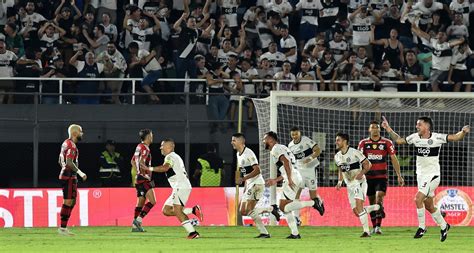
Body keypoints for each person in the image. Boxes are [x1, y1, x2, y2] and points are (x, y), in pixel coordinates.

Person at [381, 116, 470, 241]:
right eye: (417, 124)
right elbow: (399, 140)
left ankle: (422, 227)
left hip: (433, 176)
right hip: (421, 176)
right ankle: (444, 226)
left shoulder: (437, 138)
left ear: (427, 126)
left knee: (418, 199)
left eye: (419, 124)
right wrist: (388, 128)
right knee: (429, 206)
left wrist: (464, 132)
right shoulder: (415, 137)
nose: (417, 126)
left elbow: (456, 137)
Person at [263, 131, 321, 239]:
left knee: (283, 207)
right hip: (294, 175)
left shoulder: (275, 149)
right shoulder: (283, 147)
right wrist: (276, 180)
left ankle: (313, 202)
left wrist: (289, 179)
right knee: (285, 207)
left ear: (271, 140)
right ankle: (295, 233)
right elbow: (287, 166)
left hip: (292, 177)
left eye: (265, 139)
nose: (263, 141)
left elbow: (285, 162)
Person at [146, 138, 203, 239]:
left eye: (162, 146)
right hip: (179, 187)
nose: (160, 148)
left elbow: (165, 168)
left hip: (181, 187)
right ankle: (193, 210)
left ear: (170, 146)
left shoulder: (170, 156)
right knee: (166, 210)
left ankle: (193, 233)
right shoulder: (175, 156)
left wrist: (149, 168)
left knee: (177, 210)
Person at [358, 121, 404, 235]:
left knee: (379, 197)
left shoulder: (386, 142)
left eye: (377, 127)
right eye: (372, 127)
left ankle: (378, 226)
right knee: (372, 201)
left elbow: (394, 159)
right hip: (367, 178)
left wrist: (399, 175)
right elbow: (358, 160)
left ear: (380, 130)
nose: (375, 129)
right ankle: (375, 226)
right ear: (369, 130)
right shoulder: (363, 143)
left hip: (381, 177)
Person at [232, 133, 278, 238]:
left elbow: (257, 170)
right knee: (243, 211)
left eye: (234, 140)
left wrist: (243, 179)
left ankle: (264, 233)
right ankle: (271, 209)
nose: (232, 142)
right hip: (249, 184)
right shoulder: (238, 154)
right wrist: (245, 187)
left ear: (241, 142)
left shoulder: (248, 153)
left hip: (257, 184)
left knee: (249, 210)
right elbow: (245, 172)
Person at [334, 132, 380, 237]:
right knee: (356, 212)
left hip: (359, 183)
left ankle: (366, 232)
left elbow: (368, 164)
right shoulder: (337, 156)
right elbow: (340, 169)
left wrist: (361, 173)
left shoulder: (355, 152)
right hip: (349, 185)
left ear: (345, 141)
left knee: (359, 206)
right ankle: (376, 207)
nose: (336, 142)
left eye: (338, 140)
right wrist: (340, 181)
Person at [288, 127, 325, 226]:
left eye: (296, 134)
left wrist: (310, 158)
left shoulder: (306, 140)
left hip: (310, 168)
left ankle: (319, 202)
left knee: (313, 196)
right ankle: (296, 218)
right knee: (296, 193)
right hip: (299, 170)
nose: (295, 136)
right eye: (293, 135)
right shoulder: (290, 146)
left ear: (299, 133)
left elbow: (317, 150)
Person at [57, 124, 87, 235]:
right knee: (68, 201)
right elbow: (69, 162)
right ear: (75, 133)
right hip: (69, 176)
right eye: (80, 131)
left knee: (72, 201)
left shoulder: (65, 143)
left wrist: (64, 170)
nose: (82, 134)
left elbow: (60, 161)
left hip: (68, 175)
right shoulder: (72, 145)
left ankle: (63, 227)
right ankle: (62, 228)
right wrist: (80, 172)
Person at [130, 129, 157, 232]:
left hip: (138, 178)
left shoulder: (138, 147)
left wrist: (138, 172)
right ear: (148, 136)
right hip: (144, 178)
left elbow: (132, 161)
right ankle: (138, 221)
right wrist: (145, 173)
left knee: (140, 203)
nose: (152, 137)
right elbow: (141, 162)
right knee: (153, 201)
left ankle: (135, 226)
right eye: (151, 135)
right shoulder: (145, 148)